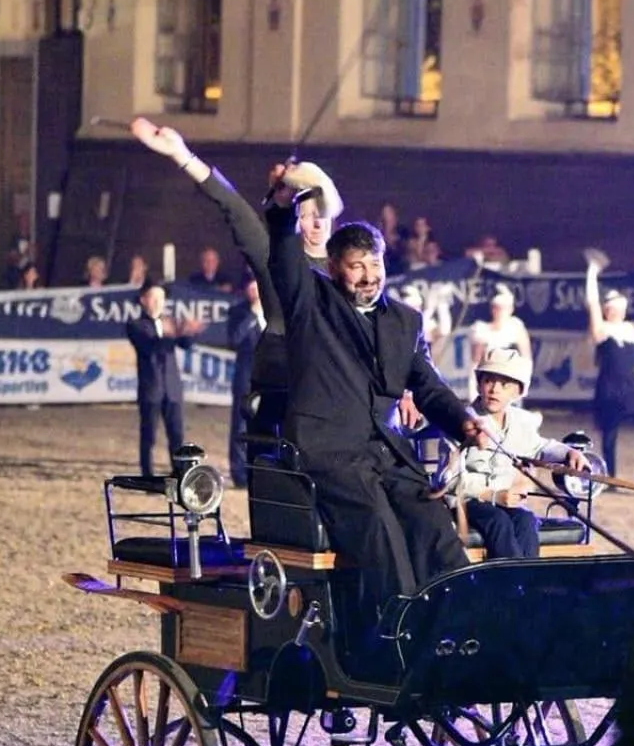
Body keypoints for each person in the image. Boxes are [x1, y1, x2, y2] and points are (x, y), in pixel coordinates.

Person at [265, 163, 486, 622]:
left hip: (385, 453)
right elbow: (283, 253)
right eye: (356, 267)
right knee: (382, 535)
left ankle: (465, 624)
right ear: (333, 267)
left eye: (375, 264)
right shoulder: (312, 302)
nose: (369, 276)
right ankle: (399, 640)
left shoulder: (405, 321)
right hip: (327, 453)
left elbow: (426, 384)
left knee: (433, 526)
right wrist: (284, 205)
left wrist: (464, 422)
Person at [129, 115, 342, 434]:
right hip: (283, 386)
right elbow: (233, 205)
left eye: (319, 216)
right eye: (305, 216)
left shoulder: (350, 265)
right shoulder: (275, 259)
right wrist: (181, 154)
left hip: (334, 392)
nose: (314, 224)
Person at [437, 346, 587, 559]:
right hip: (469, 500)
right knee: (498, 522)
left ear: (517, 392)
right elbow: (446, 479)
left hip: (506, 501)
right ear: (479, 384)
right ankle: (512, 584)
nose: (494, 389)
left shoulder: (521, 421)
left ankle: (529, 584)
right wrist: (493, 495)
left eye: (504, 384)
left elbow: (541, 447)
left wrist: (568, 452)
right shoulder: (461, 421)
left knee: (526, 521)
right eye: (489, 381)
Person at [584, 257, 634, 488]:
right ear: (607, 310)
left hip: (632, 388)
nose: (616, 312)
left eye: (619, 308)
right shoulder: (602, 330)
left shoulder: (630, 330)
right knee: (610, 435)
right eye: (612, 308)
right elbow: (592, 304)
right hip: (609, 387)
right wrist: (591, 273)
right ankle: (611, 479)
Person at [125, 277, 202, 478]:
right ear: (143, 300)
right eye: (153, 297)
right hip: (151, 387)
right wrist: (173, 334)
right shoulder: (136, 324)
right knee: (149, 434)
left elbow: (185, 343)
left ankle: (178, 473)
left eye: (161, 297)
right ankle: (147, 474)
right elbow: (150, 346)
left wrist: (190, 332)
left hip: (172, 387)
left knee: (176, 434)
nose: (158, 302)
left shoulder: (170, 322)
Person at [226, 264, 267, 489]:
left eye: (257, 288)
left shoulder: (273, 310)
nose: (255, 293)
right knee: (240, 426)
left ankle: (262, 470)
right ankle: (239, 473)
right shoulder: (238, 312)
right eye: (251, 289)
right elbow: (233, 339)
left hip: (268, 379)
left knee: (266, 425)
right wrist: (252, 315)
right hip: (245, 377)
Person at [465, 283, 531, 400]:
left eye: (504, 308)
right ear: (492, 309)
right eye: (497, 308)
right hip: (490, 381)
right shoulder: (481, 330)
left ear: (511, 309)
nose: (500, 312)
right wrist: (473, 393)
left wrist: (524, 386)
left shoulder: (516, 328)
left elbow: (526, 359)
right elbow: (475, 363)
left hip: (510, 381)